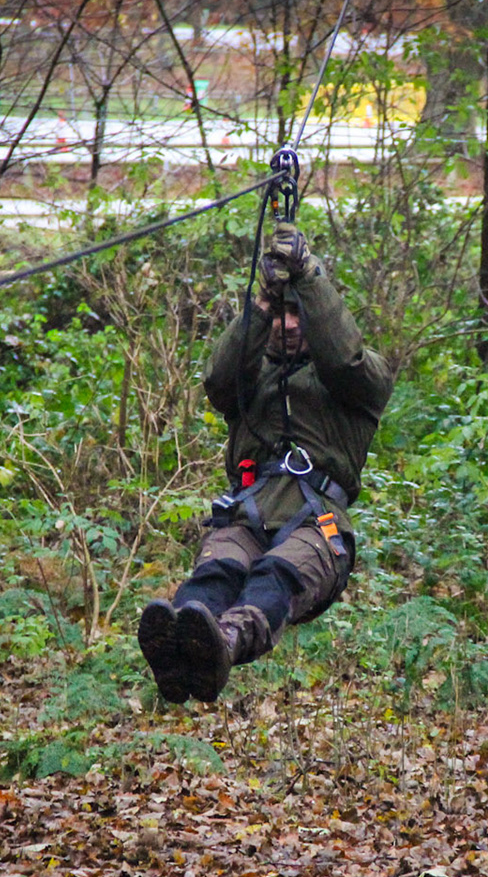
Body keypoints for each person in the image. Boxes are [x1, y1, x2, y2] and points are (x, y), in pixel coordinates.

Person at [137, 224, 395, 703]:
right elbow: (218, 380)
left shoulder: (359, 382)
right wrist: (259, 304)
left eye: (298, 314)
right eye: (280, 315)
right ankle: (177, 649)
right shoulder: (250, 381)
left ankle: (226, 643)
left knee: (274, 574)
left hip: (316, 525)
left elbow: (345, 361)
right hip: (247, 515)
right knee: (215, 575)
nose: (288, 324)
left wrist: (308, 275)